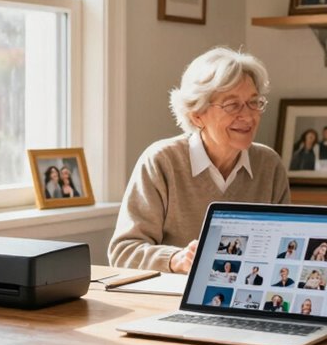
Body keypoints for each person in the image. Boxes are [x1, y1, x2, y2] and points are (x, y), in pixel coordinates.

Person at [108, 48, 290, 272]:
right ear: (197, 114)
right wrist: (176, 259)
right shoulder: (162, 161)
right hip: (171, 298)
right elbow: (123, 252)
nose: (248, 116)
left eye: (254, 102)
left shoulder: (269, 165)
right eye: (232, 105)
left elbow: (281, 248)